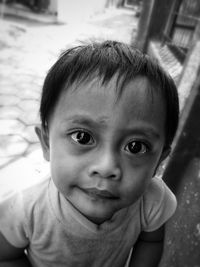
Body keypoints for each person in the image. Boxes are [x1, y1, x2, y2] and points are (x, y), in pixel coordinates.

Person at [0, 40, 179, 267]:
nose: (106, 167)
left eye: (136, 147)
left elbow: (151, 241)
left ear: (159, 162)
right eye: (82, 137)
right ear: (46, 143)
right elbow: (5, 254)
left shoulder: (152, 201)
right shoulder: (27, 210)